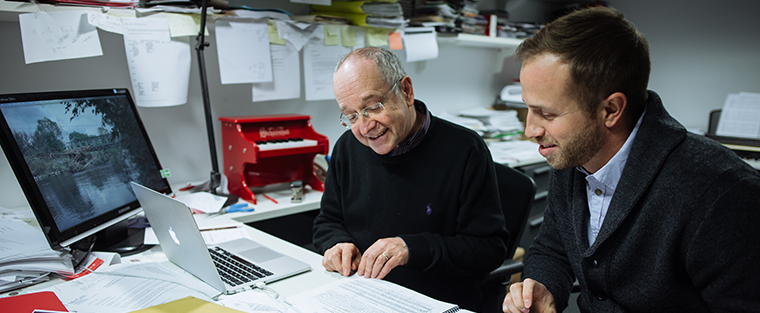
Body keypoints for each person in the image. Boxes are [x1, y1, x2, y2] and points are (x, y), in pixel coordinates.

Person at [502, 6, 760, 313]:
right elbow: (553, 247)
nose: (530, 130)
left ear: (611, 110)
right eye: (528, 109)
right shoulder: (573, 153)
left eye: (547, 113)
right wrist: (543, 287)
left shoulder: (723, 193)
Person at [312, 47, 509, 309]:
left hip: (434, 301)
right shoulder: (348, 147)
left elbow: (488, 249)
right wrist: (337, 243)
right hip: (363, 295)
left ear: (406, 91)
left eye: (372, 107)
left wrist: (412, 249)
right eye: (351, 116)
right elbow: (328, 221)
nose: (364, 126)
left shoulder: (465, 150)